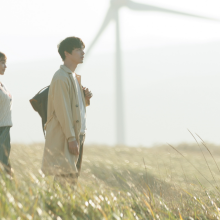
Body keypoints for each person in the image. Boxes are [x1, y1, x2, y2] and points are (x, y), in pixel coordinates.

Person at [41, 37, 92, 187]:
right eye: (78, 50)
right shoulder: (61, 78)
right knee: (65, 180)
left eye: (82, 49)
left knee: (72, 180)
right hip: (67, 138)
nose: (83, 52)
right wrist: (71, 138)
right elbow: (63, 111)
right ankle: (57, 210)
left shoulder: (73, 77)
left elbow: (74, 108)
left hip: (77, 135)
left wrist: (85, 99)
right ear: (67, 53)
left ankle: (64, 209)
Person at [0, 52, 13, 176]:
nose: (5, 66)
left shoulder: (2, 85)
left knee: (5, 166)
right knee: (3, 167)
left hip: (5, 128)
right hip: (0, 129)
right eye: (2, 63)